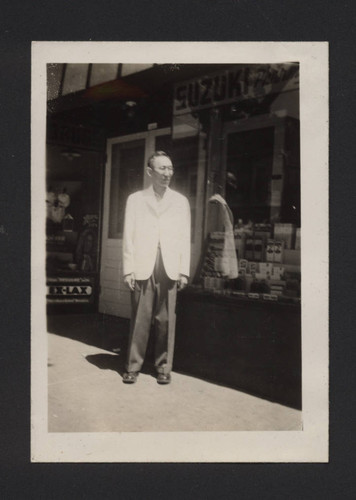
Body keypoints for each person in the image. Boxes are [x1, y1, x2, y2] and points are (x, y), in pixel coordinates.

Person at [122, 151, 191, 384]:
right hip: (143, 263)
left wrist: (183, 270)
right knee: (140, 318)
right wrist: (128, 269)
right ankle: (133, 366)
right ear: (150, 172)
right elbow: (128, 236)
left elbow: (184, 238)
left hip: (169, 264)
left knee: (166, 319)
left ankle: (163, 367)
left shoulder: (181, 201)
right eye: (162, 169)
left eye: (170, 168)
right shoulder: (135, 199)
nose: (167, 173)